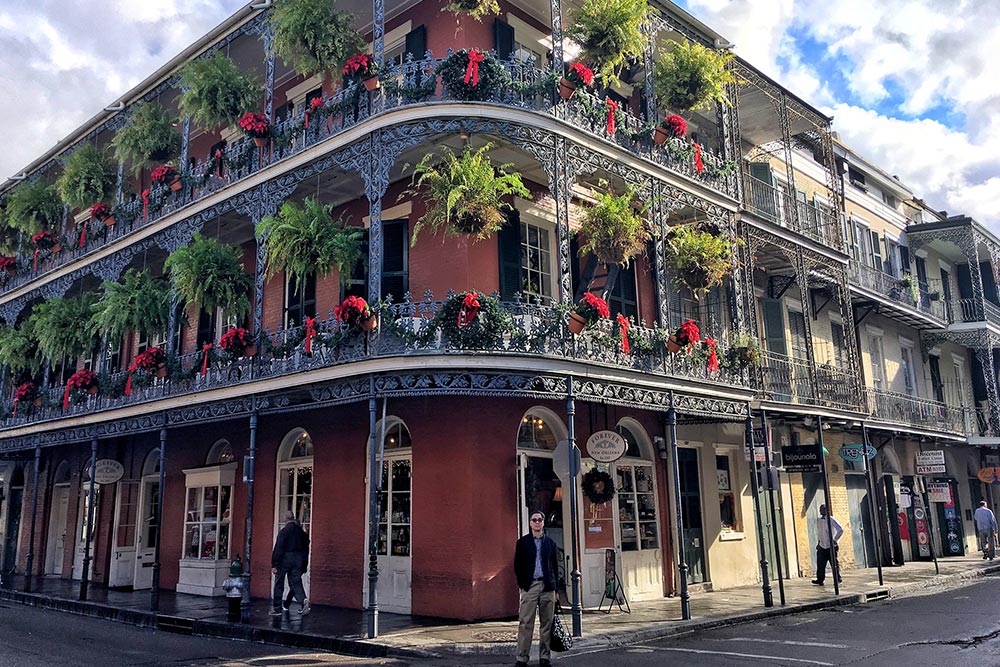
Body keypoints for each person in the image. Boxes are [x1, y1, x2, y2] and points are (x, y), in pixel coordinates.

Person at [513, 510, 559, 667]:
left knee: (547, 624)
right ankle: (522, 658)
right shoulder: (523, 543)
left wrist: (555, 590)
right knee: (526, 623)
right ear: (530, 523)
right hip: (530, 586)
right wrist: (522, 585)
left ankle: (544, 657)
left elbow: (554, 567)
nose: (537, 522)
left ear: (543, 522)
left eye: (540, 520)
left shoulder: (550, 543)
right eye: (534, 520)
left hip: (547, 587)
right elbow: (517, 565)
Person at [270, 511, 310, 615]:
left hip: (285, 558)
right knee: (296, 582)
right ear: (293, 518)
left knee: (279, 583)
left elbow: (278, 548)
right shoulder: (301, 532)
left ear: (285, 519)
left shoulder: (284, 532)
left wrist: (274, 564)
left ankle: (277, 608)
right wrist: (304, 563)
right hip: (298, 559)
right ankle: (303, 600)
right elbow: (306, 547)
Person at [812, 504, 844, 586]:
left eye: (822, 509)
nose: (821, 511)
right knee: (820, 564)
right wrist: (818, 543)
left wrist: (835, 540)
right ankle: (820, 579)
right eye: (820, 509)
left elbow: (840, 530)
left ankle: (837, 579)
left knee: (834, 564)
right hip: (822, 545)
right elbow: (820, 533)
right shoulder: (819, 521)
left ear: (826, 510)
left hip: (831, 546)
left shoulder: (831, 519)